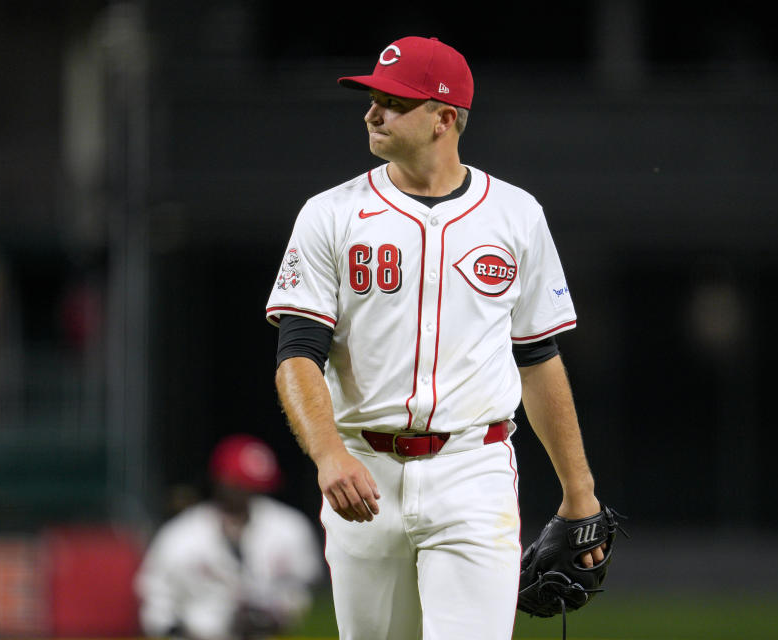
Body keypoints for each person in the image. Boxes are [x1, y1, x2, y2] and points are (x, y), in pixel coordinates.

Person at [267, 36, 605, 640]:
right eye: (372, 97)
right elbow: (297, 354)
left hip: (473, 470)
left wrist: (580, 494)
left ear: (444, 118)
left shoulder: (515, 214)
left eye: (393, 101)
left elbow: (538, 357)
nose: (373, 112)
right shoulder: (330, 213)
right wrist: (327, 453)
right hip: (362, 473)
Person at [134, 434, 322, 640]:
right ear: (220, 479)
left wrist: (276, 614)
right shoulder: (180, 535)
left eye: (254, 485)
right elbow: (155, 596)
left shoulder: (288, 527)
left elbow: (303, 586)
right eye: (240, 483)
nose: (246, 491)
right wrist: (172, 629)